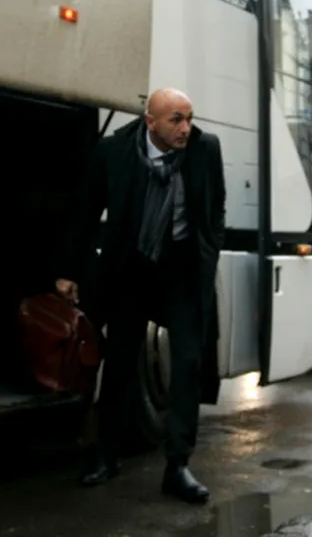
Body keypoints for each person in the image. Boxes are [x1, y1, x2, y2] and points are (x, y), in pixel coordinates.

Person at [56, 88, 225, 504]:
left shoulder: (205, 149)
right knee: (119, 364)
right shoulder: (114, 151)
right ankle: (107, 454)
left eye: (189, 118)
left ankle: (178, 466)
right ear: (151, 121)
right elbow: (85, 210)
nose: (186, 128)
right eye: (176, 120)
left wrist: (209, 251)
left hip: (183, 271)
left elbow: (215, 207)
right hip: (131, 268)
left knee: (187, 363)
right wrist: (68, 270)